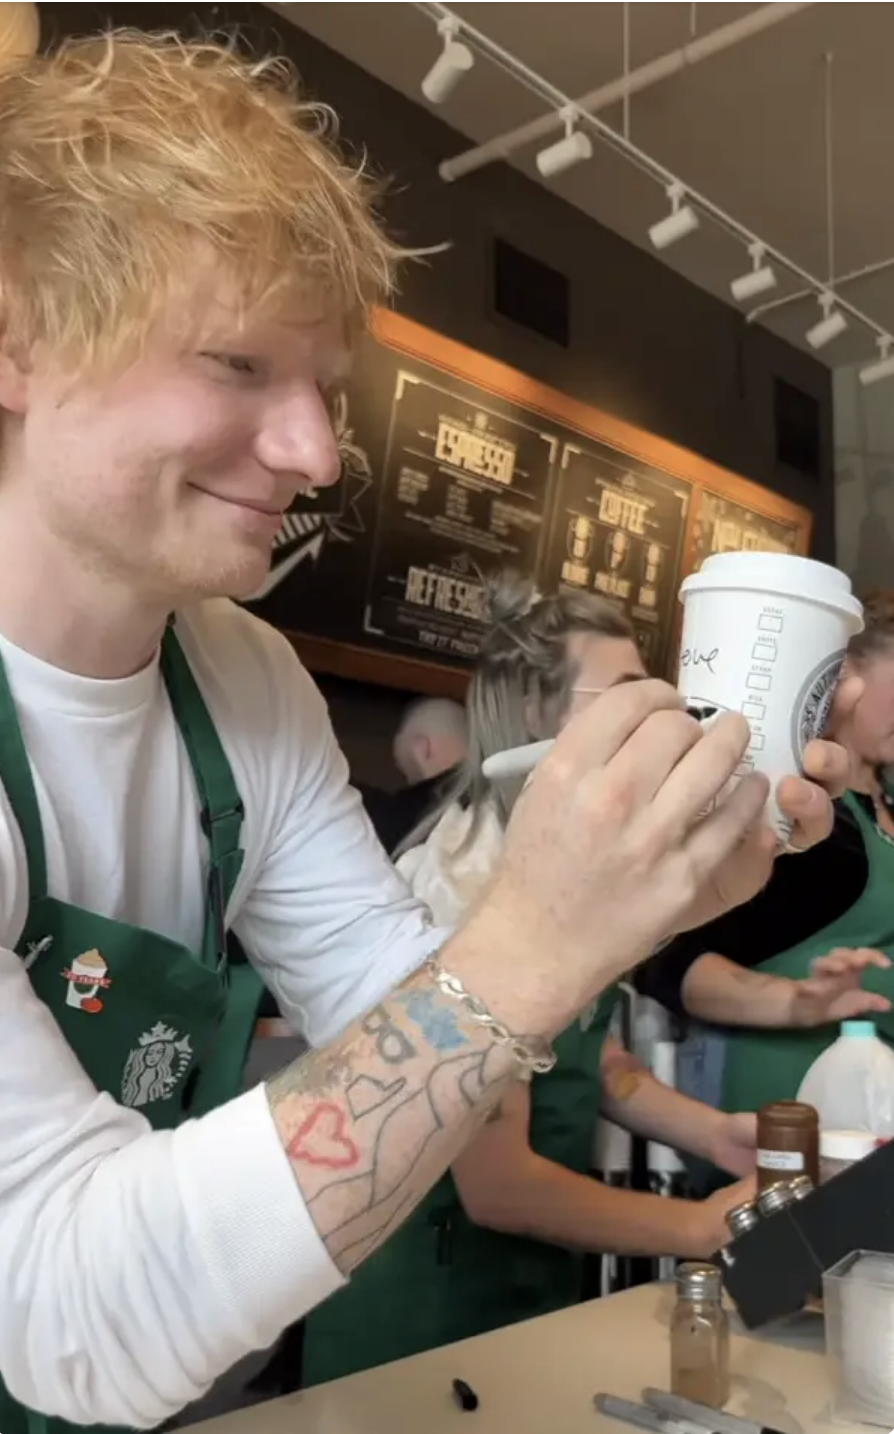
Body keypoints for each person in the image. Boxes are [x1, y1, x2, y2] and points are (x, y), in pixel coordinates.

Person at [0, 27, 849, 1433]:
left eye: (324, 389)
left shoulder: (242, 677)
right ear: (20, 338)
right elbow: (64, 1308)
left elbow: (414, 1038)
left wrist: (657, 888)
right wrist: (540, 939)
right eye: (235, 364)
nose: (318, 455)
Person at [300, 583, 765, 1386]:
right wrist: (695, 1227)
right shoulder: (460, 889)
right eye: (627, 703)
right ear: (532, 717)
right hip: (423, 1310)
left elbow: (595, 1058)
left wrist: (714, 1134)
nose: (661, 729)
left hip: (521, 1292)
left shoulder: (569, 870)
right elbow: (497, 1184)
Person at [637, 611, 894, 1119]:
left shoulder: (882, 807)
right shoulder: (791, 816)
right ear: (844, 679)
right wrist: (800, 1001)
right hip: (789, 1098)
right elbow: (667, 960)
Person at [359, 696, 466, 854]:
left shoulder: (406, 815)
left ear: (422, 749)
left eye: (406, 773)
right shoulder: (505, 797)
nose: (410, 784)